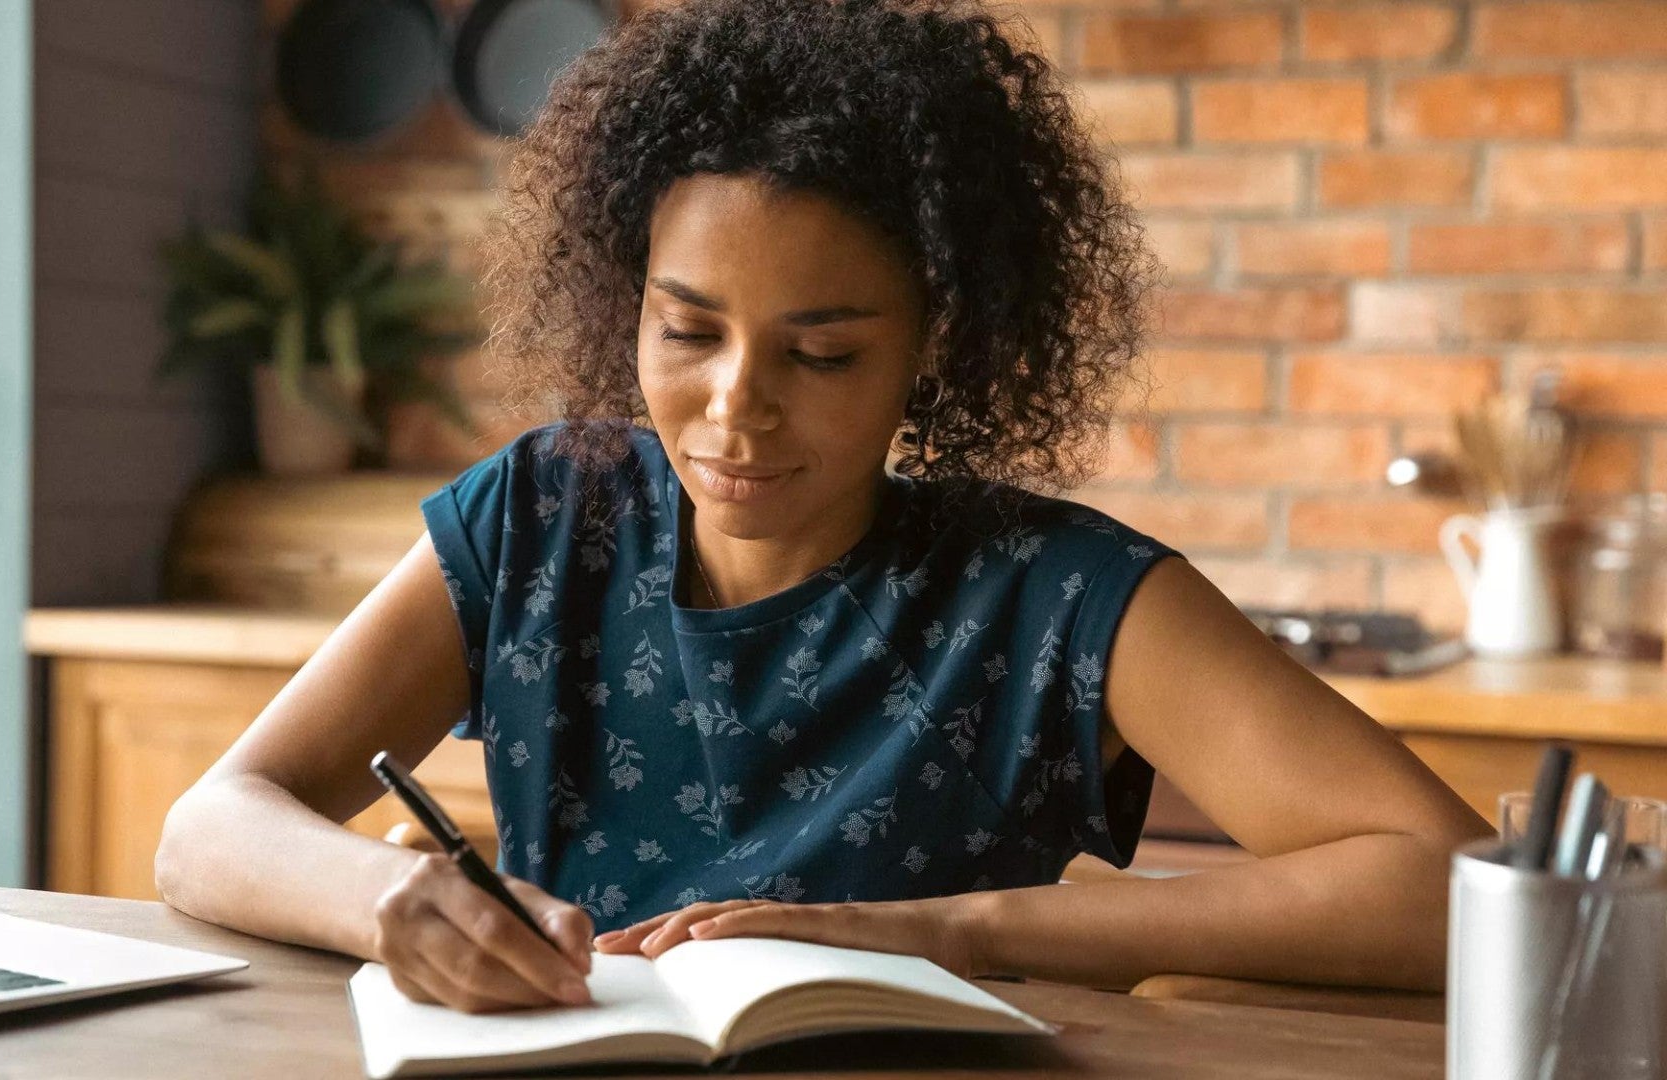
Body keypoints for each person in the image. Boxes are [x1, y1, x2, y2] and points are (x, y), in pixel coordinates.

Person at [155, 0, 1490, 1015]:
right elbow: (213, 825)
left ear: (936, 342)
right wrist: (394, 899)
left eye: (824, 352)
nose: (738, 405)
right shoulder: (547, 516)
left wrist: (967, 931)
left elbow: (1456, 891)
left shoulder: (1055, 595)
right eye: (688, 333)